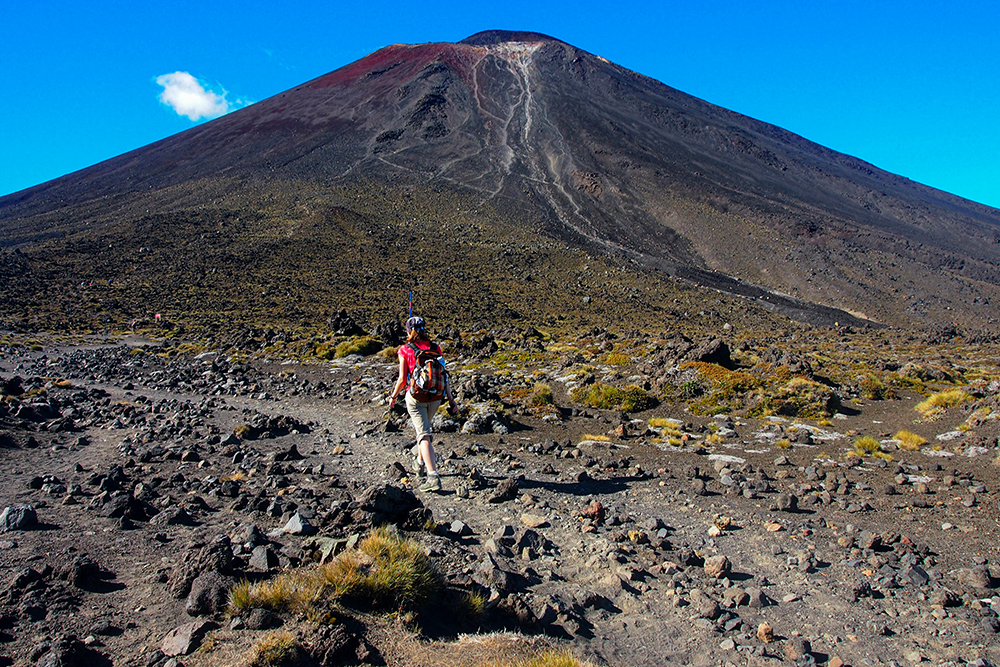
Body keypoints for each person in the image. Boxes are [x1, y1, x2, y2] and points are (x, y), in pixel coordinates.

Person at [388, 316, 458, 492]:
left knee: (424, 435)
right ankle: (419, 463)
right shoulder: (435, 348)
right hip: (436, 397)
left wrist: (393, 396)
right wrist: (451, 399)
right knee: (424, 429)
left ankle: (433, 476)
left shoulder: (405, 349)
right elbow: (444, 375)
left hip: (416, 397)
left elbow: (403, 379)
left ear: (407, 331)